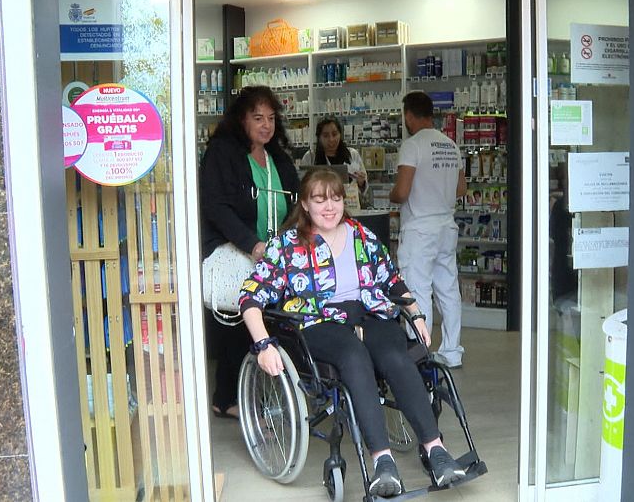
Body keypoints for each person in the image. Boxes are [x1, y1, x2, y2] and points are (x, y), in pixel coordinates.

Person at [239, 169, 467, 497]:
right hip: (319, 323)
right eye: (319, 199)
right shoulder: (287, 245)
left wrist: (415, 313)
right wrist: (263, 344)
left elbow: (391, 279)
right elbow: (250, 296)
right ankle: (383, 462)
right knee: (354, 356)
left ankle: (436, 450)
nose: (329, 206)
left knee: (395, 355)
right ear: (305, 204)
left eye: (335, 198)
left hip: (369, 314)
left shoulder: (360, 234)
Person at [199, 85, 300, 419]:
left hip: (269, 253)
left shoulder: (277, 158)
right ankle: (229, 397)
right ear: (241, 119)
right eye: (258, 117)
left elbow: (294, 204)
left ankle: (249, 392)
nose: (266, 125)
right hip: (235, 249)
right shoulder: (223, 152)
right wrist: (251, 244)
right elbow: (217, 207)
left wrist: (283, 242)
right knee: (239, 318)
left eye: (271, 118)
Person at [389, 92, 467, 369]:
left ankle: (420, 352)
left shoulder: (413, 145)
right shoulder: (450, 145)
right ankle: (452, 351)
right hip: (447, 226)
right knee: (448, 289)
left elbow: (402, 191)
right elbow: (461, 189)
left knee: (417, 290)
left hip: (420, 229)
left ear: (409, 115)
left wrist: (392, 194)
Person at [299, 117, 371, 208]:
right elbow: (302, 186)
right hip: (320, 208)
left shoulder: (352, 154)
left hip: (349, 206)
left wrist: (361, 183)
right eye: (325, 136)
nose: (331, 139)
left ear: (340, 134)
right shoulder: (310, 157)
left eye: (334, 134)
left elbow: (364, 188)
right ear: (319, 137)